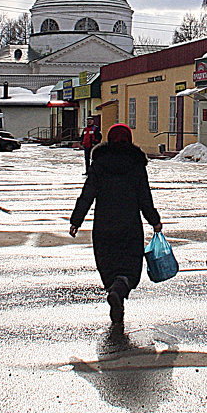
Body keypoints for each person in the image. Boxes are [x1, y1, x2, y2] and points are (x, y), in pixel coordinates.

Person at [69, 123, 162, 325]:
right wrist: (154, 220)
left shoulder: (100, 163)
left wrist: (76, 220)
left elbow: (88, 194)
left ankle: (114, 291)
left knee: (108, 263)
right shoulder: (136, 164)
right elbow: (145, 198)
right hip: (130, 224)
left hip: (104, 224)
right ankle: (120, 289)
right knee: (129, 265)